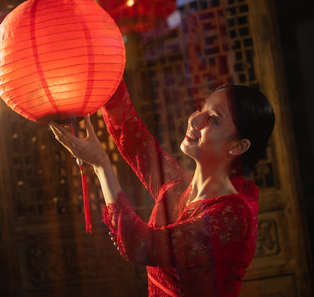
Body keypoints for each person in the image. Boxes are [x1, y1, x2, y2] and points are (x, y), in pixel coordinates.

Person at [50, 79, 275, 297]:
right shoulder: (177, 187)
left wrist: (100, 164)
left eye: (214, 119)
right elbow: (129, 132)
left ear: (239, 145)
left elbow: (139, 245)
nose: (195, 121)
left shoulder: (234, 216)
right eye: (200, 109)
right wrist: (103, 66)